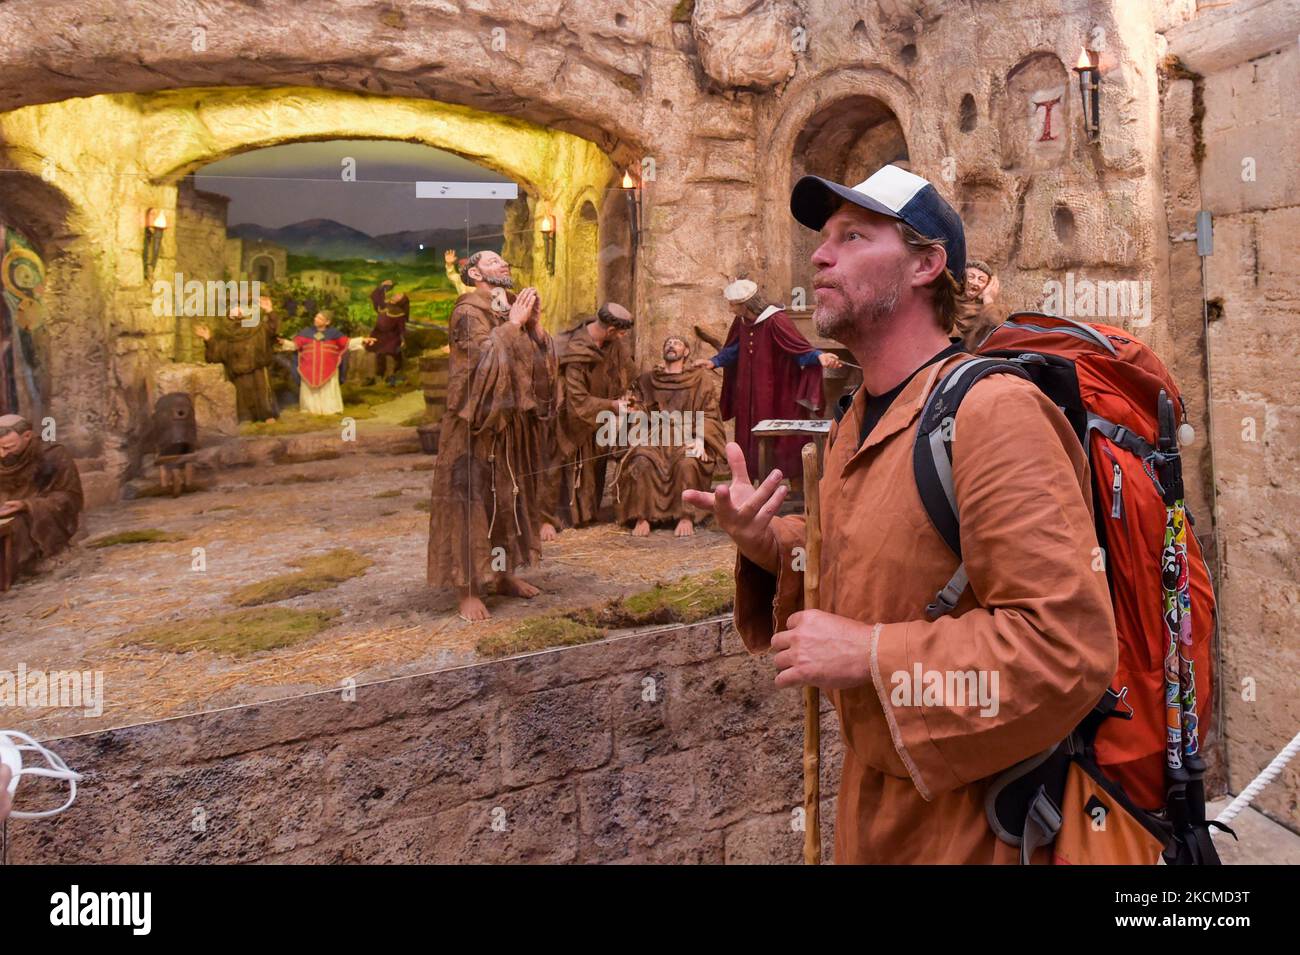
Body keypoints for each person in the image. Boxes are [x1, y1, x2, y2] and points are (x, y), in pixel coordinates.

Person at [684, 163, 1116, 864]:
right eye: (823, 239)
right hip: (873, 809)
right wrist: (770, 542)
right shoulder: (860, 415)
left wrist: (874, 654)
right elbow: (868, 559)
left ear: (926, 265)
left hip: (971, 829)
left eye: (853, 237)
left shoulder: (993, 414)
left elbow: (1066, 649)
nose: (820, 255)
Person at [426, 251, 557, 622]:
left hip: (508, 425)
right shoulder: (468, 311)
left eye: (504, 261)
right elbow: (480, 366)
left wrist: (534, 329)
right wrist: (513, 326)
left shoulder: (507, 308)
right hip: (473, 428)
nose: (504, 265)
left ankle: (503, 574)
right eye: (494, 262)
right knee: (470, 502)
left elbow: (538, 365)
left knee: (507, 498)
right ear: (473, 273)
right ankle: (467, 587)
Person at [693, 280, 841, 483]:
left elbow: (797, 348)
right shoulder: (742, 321)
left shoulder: (776, 320)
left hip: (779, 392)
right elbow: (734, 349)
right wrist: (714, 361)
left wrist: (818, 357)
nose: (730, 308)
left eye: (733, 304)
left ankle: (795, 485)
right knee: (749, 434)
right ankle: (752, 483)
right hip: (749, 391)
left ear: (746, 304)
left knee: (786, 440)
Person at [615, 335, 725, 537]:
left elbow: (709, 413)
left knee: (687, 462)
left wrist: (701, 439)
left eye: (677, 343)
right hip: (655, 437)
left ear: (686, 352)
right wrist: (635, 423)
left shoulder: (700, 380)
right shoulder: (648, 379)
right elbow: (637, 405)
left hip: (687, 436)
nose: (671, 345)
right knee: (641, 461)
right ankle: (642, 517)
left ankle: (685, 516)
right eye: (668, 343)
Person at [554, 304, 635, 527]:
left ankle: (588, 514)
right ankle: (565, 517)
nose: (623, 336)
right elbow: (576, 400)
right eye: (620, 332)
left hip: (601, 419)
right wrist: (612, 405)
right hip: (573, 420)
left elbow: (628, 370)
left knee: (595, 469)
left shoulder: (613, 344)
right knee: (574, 469)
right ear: (609, 330)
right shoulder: (575, 350)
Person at [0, 413, 83, 579]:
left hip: (33, 517)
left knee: (16, 527)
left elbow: (70, 498)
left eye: (9, 448)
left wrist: (27, 505)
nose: (2, 454)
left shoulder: (53, 455)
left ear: (27, 436)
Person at [194, 299, 279, 422]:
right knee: (243, 398)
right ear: (228, 314)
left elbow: (272, 329)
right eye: (235, 308)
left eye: (240, 307)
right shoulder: (226, 334)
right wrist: (208, 340)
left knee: (262, 394)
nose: (238, 310)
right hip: (238, 373)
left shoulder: (257, 327)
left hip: (257, 369)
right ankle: (246, 418)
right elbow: (216, 355)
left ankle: (267, 416)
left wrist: (269, 311)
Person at [288, 310, 361, 415]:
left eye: (320, 318)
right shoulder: (305, 332)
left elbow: (347, 343)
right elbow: (295, 345)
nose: (316, 319)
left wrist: (362, 340)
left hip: (328, 368)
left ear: (327, 322)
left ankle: (329, 409)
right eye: (316, 317)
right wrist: (283, 343)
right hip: (310, 368)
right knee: (310, 390)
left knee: (328, 389)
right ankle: (311, 410)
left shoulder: (334, 333)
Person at [366, 280, 409, 386]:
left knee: (389, 352)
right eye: (398, 294)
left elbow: (401, 328)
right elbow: (375, 297)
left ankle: (393, 375)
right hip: (378, 334)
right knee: (376, 352)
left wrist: (403, 340)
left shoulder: (399, 312)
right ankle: (378, 375)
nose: (396, 295)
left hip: (391, 337)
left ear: (401, 301)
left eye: (400, 296)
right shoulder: (384, 305)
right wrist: (382, 286)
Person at [955, 258, 1002, 350]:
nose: (975, 283)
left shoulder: (987, 312)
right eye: (971, 277)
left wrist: (988, 299)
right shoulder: (947, 302)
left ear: (987, 287)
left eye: (981, 280)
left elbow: (995, 335)